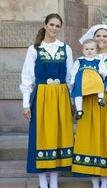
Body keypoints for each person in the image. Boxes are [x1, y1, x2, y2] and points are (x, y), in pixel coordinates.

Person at [20, 13, 74, 188]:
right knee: (41, 136)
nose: (54, 28)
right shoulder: (34, 49)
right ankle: (43, 182)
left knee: (58, 137)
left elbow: (70, 77)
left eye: (58, 26)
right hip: (41, 96)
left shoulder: (66, 48)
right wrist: (26, 104)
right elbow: (27, 78)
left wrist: (72, 102)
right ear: (45, 25)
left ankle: (55, 182)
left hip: (61, 96)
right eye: (51, 24)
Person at [72, 24, 107, 188]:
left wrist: (96, 86)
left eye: (104, 36)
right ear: (93, 39)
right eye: (98, 36)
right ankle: (95, 183)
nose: (101, 39)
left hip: (106, 101)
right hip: (87, 102)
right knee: (91, 140)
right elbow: (74, 82)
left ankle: (105, 182)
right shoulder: (82, 59)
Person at [70, 39, 107, 120]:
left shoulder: (98, 60)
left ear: (96, 51)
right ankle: (79, 110)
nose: (89, 51)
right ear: (83, 51)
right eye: (86, 49)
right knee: (78, 92)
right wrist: (72, 81)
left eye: (92, 49)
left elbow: (104, 69)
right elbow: (73, 70)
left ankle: (100, 98)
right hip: (81, 78)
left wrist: (103, 73)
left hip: (94, 77)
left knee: (100, 82)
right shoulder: (80, 60)